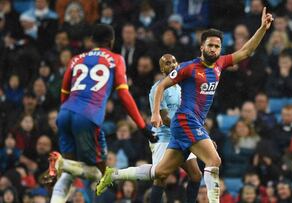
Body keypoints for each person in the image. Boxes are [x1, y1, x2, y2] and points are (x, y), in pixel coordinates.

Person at [96, 8, 273, 202]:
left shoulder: (220, 64)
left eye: (217, 46)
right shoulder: (189, 67)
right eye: (210, 45)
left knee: (161, 172)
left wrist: (262, 28)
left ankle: (113, 175)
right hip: (185, 121)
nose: (214, 49)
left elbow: (247, 51)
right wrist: (155, 113)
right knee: (214, 160)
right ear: (202, 47)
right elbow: (162, 85)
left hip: (190, 124)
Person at [47, 24, 158, 203]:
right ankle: (61, 163)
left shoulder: (76, 59)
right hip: (87, 117)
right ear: (112, 41)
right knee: (102, 172)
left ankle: (60, 173)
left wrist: (65, 117)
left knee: (70, 174)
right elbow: (123, 95)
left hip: (65, 113)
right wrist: (142, 126)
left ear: (92, 41)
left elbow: (64, 93)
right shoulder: (115, 59)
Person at [149, 54, 202, 203]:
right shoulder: (158, 89)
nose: (172, 65)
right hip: (164, 137)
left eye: (173, 62)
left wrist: (203, 136)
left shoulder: (182, 87)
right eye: (167, 63)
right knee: (161, 177)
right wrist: (186, 131)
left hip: (183, 135)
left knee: (196, 175)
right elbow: (164, 118)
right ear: (161, 68)